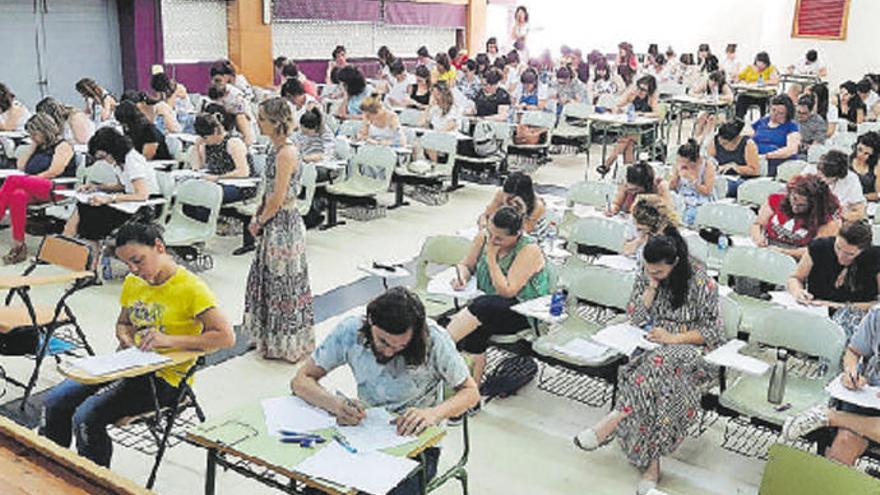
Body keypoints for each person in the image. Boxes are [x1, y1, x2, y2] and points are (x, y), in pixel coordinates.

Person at [39, 222, 235, 468]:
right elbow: (123, 323)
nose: (133, 269)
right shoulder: (135, 282)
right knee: (55, 402)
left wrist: (170, 341)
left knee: (86, 417)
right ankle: (51, 471)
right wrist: (126, 338)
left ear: (159, 247)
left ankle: (95, 482)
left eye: (138, 260)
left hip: (166, 379)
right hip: (131, 364)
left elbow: (226, 337)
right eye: (127, 264)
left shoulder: (191, 289)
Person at [574, 234, 724, 495]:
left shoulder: (701, 282)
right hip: (654, 348)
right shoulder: (648, 274)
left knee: (659, 363)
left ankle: (617, 416)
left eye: (659, 271)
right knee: (660, 384)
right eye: (648, 268)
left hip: (693, 351)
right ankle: (652, 466)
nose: (651, 273)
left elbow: (713, 332)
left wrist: (674, 337)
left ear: (675, 263)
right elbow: (635, 316)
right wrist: (651, 288)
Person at [292, 287, 479, 495]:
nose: (389, 351)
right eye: (383, 341)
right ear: (370, 321)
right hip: (363, 435)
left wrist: (432, 414)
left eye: (400, 347)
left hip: (418, 448)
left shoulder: (435, 340)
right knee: (318, 489)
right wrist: (337, 405)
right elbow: (301, 380)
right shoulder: (350, 330)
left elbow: (470, 393)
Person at [447, 206, 550, 396]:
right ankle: (470, 395)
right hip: (486, 307)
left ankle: (439, 346)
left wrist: (491, 259)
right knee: (477, 329)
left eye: (499, 238)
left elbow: (507, 291)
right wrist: (462, 276)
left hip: (521, 310)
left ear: (517, 234)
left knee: (483, 306)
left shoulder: (529, 249)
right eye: (491, 233)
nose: (492, 240)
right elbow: (466, 264)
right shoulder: (485, 236)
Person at [243, 98, 315, 363]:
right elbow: (268, 191)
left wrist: (260, 221)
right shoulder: (273, 149)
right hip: (272, 220)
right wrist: (258, 214)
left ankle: (288, 343)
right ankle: (269, 338)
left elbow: (279, 197)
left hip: (284, 225)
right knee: (269, 280)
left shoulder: (286, 152)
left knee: (284, 283)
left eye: (261, 119)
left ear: (275, 123)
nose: (257, 123)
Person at [782, 305, 880, 466]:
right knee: (845, 443)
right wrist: (851, 371)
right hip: (870, 398)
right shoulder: (877, 315)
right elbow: (853, 352)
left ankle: (831, 417)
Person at [63, 127, 159, 247]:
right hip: (130, 202)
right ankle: (68, 241)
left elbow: (142, 195)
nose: (105, 161)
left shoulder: (133, 161)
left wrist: (109, 199)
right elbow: (122, 186)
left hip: (144, 207)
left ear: (112, 149)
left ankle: (78, 244)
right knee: (84, 205)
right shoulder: (119, 162)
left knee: (91, 211)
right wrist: (97, 187)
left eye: (104, 156)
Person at [0, 113, 76, 264]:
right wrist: (33, 146)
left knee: (13, 181)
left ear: (45, 130)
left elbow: (55, 171)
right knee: (17, 195)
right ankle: (19, 245)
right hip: (34, 187)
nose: (33, 137)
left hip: (56, 187)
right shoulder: (38, 146)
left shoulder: (63, 146)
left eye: (35, 134)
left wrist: (27, 180)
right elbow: (21, 166)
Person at [787, 220, 880, 338]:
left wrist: (837, 306)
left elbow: (877, 305)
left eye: (849, 254)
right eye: (838, 247)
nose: (840, 256)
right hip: (814, 312)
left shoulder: (875, 258)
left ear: (863, 250)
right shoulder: (819, 247)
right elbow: (795, 278)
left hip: (854, 319)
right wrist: (798, 292)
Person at [750, 174, 841, 259]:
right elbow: (757, 224)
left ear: (814, 205)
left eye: (802, 205)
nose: (795, 206)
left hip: (795, 257)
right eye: (794, 199)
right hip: (768, 247)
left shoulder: (827, 221)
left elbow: (815, 250)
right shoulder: (776, 200)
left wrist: (784, 252)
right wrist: (758, 238)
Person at [597, 75, 659, 176]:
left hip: (646, 131)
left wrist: (643, 114)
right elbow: (618, 105)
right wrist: (619, 108)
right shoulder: (633, 94)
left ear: (649, 90)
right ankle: (629, 173)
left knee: (626, 139)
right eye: (639, 87)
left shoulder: (652, 97)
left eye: (643, 89)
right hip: (631, 128)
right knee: (628, 144)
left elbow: (657, 114)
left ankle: (608, 163)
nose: (640, 91)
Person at [479, 172, 548, 236]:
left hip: (532, 233)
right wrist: (484, 228)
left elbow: (525, 233)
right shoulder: (501, 194)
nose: (508, 200)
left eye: (511, 198)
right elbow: (486, 215)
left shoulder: (538, 206)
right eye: (506, 195)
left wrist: (522, 212)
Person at [708, 119, 761, 198]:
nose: (721, 143)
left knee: (722, 186)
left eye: (725, 143)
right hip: (720, 176)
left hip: (741, 179)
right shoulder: (714, 141)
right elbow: (710, 160)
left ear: (736, 138)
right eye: (720, 141)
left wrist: (735, 167)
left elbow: (755, 171)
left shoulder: (748, 144)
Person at [751, 94, 801, 177]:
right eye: (773, 110)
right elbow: (748, 137)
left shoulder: (791, 126)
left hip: (778, 164)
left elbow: (792, 149)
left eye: (780, 113)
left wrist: (767, 156)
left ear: (787, 113)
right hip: (757, 161)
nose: (775, 115)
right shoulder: (762, 122)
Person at [669, 139, 715, 225]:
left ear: (694, 161)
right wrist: (676, 177)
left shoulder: (707, 166)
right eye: (680, 160)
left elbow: (707, 191)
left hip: (699, 200)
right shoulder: (678, 164)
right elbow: (671, 187)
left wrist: (692, 180)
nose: (682, 163)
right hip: (681, 198)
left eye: (685, 162)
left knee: (687, 218)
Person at [607, 162, 672, 217]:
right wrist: (612, 209)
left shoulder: (660, 185)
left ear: (645, 185)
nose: (632, 193)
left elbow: (667, 209)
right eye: (630, 190)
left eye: (635, 189)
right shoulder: (626, 184)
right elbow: (617, 203)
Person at [692, 70, 734, 143]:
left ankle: (702, 141)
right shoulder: (706, 83)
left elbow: (730, 97)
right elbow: (692, 92)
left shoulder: (723, 86)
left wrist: (719, 97)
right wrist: (699, 96)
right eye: (711, 81)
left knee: (711, 119)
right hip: (709, 109)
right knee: (702, 118)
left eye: (715, 83)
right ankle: (695, 138)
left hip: (722, 111)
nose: (713, 84)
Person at [734, 52, 779, 118]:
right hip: (749, 94)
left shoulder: (770, 69)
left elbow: (775, 81)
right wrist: (739, 81)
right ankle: (739, 120)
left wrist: (764, 82)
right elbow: (739, 77)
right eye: (758, 64)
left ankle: (763, 121)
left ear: (766, 63)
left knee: (765, 104)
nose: (760, 66)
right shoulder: (749, 68)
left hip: (763, 95)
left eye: (763, 64)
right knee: (741, 99)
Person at [795, 94, 827, 158]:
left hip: (806, 153)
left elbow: (816, 146)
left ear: (811, 112)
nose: (800, 116)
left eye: (804, 113)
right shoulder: (791, 116)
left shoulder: (818, 122)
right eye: (798, 112)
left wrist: (802, 146)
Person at [851, 131, 880, 200]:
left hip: (868, 204)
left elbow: (879, 194)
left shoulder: (875, 168)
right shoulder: (846, 161)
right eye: (860, 149)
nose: (860, 155)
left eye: (866, 153)